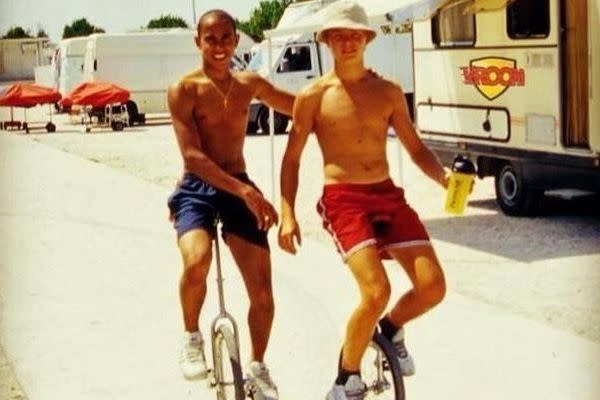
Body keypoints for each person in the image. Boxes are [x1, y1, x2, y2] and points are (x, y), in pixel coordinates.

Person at [277, 1, 448, 399]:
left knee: (433, 286)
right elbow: (291, 159)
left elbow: (416, 148)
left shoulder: (387, 92)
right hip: (344, 199)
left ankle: (388, 332)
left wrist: (443, 177)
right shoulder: (312, 96)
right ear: (328, 41)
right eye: (339, 35)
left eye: (355, 34)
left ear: (367, 39)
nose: (348, 41)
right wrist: (287, 213)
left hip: (386, 194)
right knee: (376, 291)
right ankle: (345, 378)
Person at [166, 9, 294, 400]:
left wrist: (346, 93)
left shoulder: (249, 83)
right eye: (211, 39)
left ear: (236, 41)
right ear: (198, 42)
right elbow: (193, 156)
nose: (219, 47)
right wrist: (245, 192)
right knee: (197, 260)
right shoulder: (184, 89)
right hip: (197, 188)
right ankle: (192, 336)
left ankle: (256, 366)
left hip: (239, 185)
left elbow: (300, 106)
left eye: (226, 38)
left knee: (264, 295)